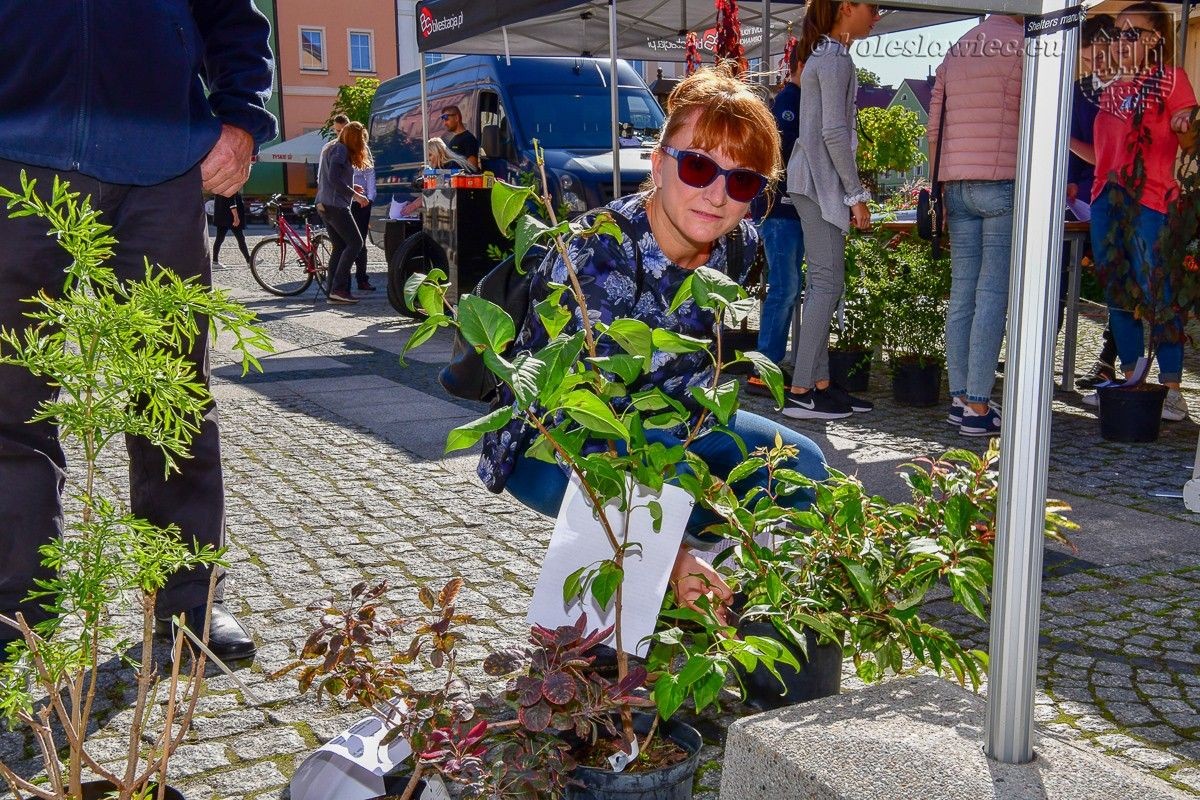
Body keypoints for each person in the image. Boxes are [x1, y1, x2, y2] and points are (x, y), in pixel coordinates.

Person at [477, 65, 829, 619]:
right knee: (665, 525)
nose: (717, 196)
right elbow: (580, 425)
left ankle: (741, 616)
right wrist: (674, 554)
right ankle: (631, 621)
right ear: (659, 163)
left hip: (677, 420)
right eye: (697, 166)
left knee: (801, 467)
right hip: (557, 443)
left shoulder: (738, 245)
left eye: (742, 182)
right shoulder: (598, 254)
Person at [0, 1, 276, 660]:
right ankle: (14, 615)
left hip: (161, 167)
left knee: (171, 396)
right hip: (12, 154)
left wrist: (240, 118)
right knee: (9, 399)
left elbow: (232, 16)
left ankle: (187, 605)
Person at [1077, 1, 1197, 421]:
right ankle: (1131, 380)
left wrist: (1187, 124)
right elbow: (1105, 155)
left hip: (1150, 202)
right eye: (1117, 33)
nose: (1120, 42)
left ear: (1154, 39)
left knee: (1156, 291)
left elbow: (1188, 137)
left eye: (1131, 33)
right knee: (1117, 293)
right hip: (1105, 201)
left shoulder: (1170, 79)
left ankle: (1172, 389)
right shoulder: (1109, 88)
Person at [782, 0, 880, 421]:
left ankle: (819, 385)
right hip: (820, 184)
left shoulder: (824, 53)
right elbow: (835, 134)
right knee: (826, 284)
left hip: (811, 181)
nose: (876, 15)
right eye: (872, 6)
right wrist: (855, 195)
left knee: (825, 283)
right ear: (846, 8)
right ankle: (802, 390)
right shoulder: (834, 58)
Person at [928, 14, 1024, 438]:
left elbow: (935, 126)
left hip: (955, 183)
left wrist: (938, 185)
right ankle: (979, 406)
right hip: (1001, 181)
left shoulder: (959, 46)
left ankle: (960, 397)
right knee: (990, 295)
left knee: (963, 292)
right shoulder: (1026, 45)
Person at [747, 43, 806, 398]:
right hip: (780, 210)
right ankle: (763, 369)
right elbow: (779, 158)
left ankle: (767, 366)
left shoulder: (793, 100)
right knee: (784, 288)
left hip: (786, 210)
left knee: (786, 287)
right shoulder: (787, 103)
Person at [1068, 15, 1119, 388]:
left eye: (1100, 58)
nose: (1094, 66)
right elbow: (1072, 156)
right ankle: (1036, 349)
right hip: (1080, 197)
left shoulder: (1130, 91)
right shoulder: (1076, 92)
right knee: (1055, 270)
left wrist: (1069, 144)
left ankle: (1108, 359)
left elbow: (1108, 155)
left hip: (1119, 197)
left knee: (1119, 283)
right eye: (1088, 59)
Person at [316, 121, 372, 305]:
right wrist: (354, 194)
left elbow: (333, 177)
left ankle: (333, 291)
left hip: (324, 203)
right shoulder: (341, 150)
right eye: (362, 138)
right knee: (356, 243)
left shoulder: (332, 147)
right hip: (336, 205)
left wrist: (350, 186)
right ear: (355, 138)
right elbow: (333, 178)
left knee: (340, 247)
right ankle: (339, 289)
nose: (363, 142)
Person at [351, 139, 377, 292]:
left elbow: (370, 174)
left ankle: (362, 279)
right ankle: (342, 281)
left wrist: (371, 198)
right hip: (347, 200)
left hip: (363, 202)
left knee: (361, 242)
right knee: (346, 242)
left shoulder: (363, 150)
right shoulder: (340, 151)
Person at [212, 191, 251, 268]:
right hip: (230, 218)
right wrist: (236, 217)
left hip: (222, 216)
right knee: (240, 238)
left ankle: (215, 262)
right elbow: (232, 202)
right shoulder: (230, 185)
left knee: (219, 239)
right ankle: (249, 261)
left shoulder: (219, 187)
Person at [439, 105, 479, 170]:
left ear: (457, 118)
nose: (444, 123)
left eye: (446, 119)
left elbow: (473, 168)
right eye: (443, 120)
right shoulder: (452, 141)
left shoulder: (468, 139)